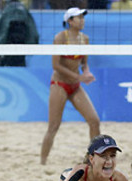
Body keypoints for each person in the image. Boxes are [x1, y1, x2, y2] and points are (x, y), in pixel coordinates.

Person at [40, 7, 100, 165]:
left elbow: (84, 63)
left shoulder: (84, 39)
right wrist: (79, 77)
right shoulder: (60, 38)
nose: (82, 20)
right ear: (70, 21)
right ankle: (42, 162)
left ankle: (93, 159)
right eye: (79, 18)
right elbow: (56, 65)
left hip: (75, 86)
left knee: (94, 120)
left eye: (83, 17)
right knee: (53, 126)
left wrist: (86, 73)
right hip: (59, 84)